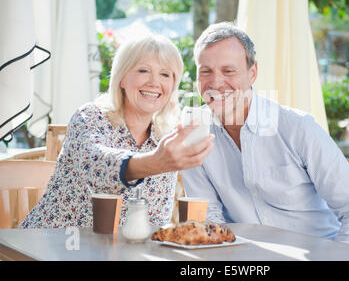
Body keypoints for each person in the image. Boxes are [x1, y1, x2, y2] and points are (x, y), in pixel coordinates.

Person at [181, 22, 349, 249]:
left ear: (252, 73)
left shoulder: (298, 128)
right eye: (206, 71)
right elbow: (208, 221)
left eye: (228, 71)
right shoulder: (194, 133)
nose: (215, 83)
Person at [20, 33, 214, 229]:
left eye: (165, 74)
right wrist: (155, 162)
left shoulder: (165, 137)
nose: (154, 82)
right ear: (121, 78)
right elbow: (95, 168)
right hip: (50, 246)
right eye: (143, 70)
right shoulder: (90, 117)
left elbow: (155, 220)